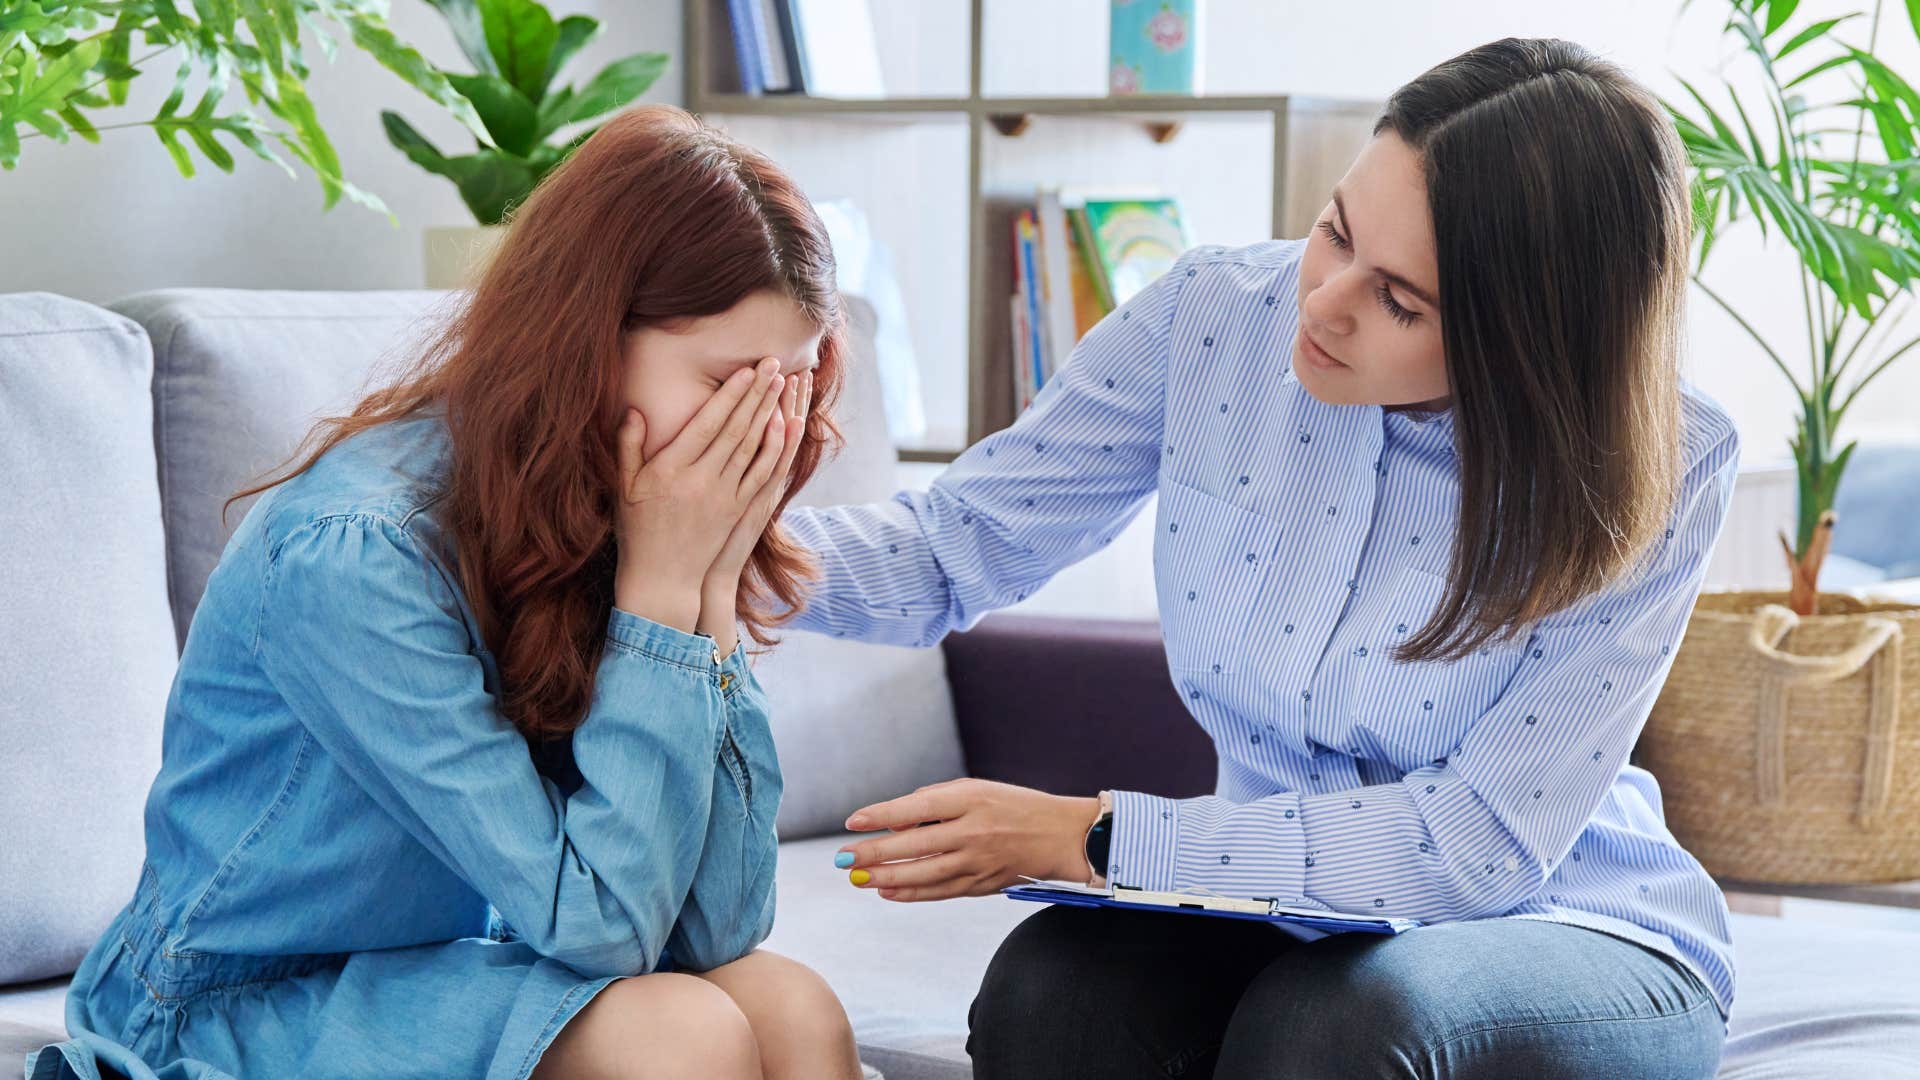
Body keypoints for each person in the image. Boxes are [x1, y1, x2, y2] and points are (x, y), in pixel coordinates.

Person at [796, 38, 1735, 1079]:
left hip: (1573, 921)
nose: (1323, 302)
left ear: (1524, 341)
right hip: (1284, 916)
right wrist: (702, 544)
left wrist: (1102, 837)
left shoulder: (1663, 460)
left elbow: (1476, 846)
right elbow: (955, 544)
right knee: (1054, 993)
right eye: (1335, 232)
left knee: (1340, 1023)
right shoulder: (1211, 317)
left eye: (1400, 301)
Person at [28, 105, 868, 1080]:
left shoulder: (633, 514)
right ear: (590, 342)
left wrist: (709, 598)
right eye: (729, 382)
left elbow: (720, 925)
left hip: (442, 971)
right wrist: (664, 596)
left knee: (791, 1006)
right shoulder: (358, 554)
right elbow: (602, 926)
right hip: (229, 1005)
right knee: (682, 1033)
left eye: (790, 385)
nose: (764, 429)